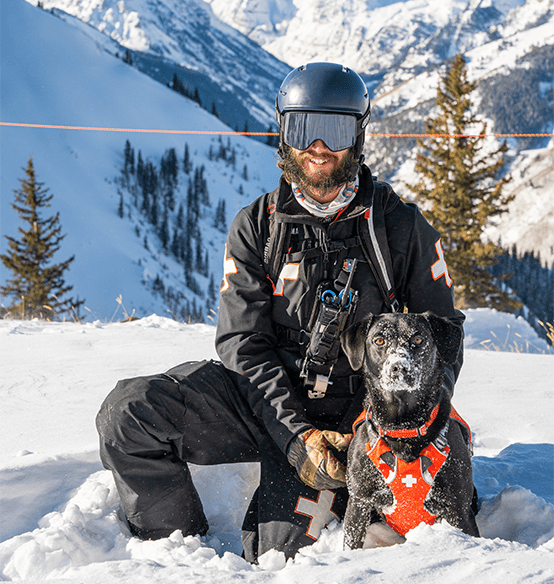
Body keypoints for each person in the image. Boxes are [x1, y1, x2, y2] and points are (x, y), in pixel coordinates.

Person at [96, 61, 465, 562]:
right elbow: (242, 345)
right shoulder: (258, 226)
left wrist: (388, 438)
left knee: (280, 561)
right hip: (267, 404)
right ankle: (177, 556)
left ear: (357, 136)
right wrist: (298, 439)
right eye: (303, 127)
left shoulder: (398, 229)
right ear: (284, 132)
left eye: (334, 129)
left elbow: (441, 338)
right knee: (129, 413)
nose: (318, 146)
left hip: (359, 422)